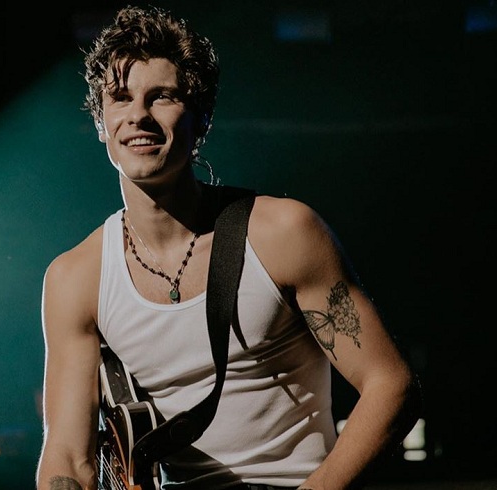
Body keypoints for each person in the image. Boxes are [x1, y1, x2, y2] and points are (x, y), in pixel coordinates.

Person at [35, 5, 422, 490]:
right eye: (120, 98)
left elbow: (391, 386)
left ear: (202, 119)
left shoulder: (284, 233)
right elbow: (68, 458)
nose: (138, 115)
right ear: (100, 122)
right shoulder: (75, 278)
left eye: (162, 97)